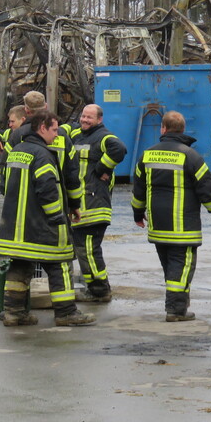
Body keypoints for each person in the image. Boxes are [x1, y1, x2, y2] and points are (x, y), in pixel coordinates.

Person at [0, 110, 95, 328]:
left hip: (14, 228)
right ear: (42, 128)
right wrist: (58, 217)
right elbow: (48, 190)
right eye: (53, 129)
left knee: (19, 268)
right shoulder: (44, 156)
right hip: (40, 225)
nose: (57, 134)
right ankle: (66, 313)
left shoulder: (17, 151)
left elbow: (4, 183)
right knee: (60, 264)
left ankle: (14, 312)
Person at [132, 110, 211, 322]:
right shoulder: (192, 157)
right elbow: (207, 192)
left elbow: (138, 190)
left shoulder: (147, 155)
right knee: (182, 267)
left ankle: (179, 307)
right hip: (183, 227)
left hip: (158, 226)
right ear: (183, 130)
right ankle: (175, 311)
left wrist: (138, 214)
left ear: (163, 129)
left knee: (171, 267)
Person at [68, 103, 127, 302]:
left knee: (88, 252)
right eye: (83, 116)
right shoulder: (77, 135)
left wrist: (103, 167)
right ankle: (96, 288)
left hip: (94, 206)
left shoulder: (103, 136)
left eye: (89, 118)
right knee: (83, 251)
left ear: (99, 120)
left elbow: (119, 148)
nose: (84, 120)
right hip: (80, 206)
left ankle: (100, 291)